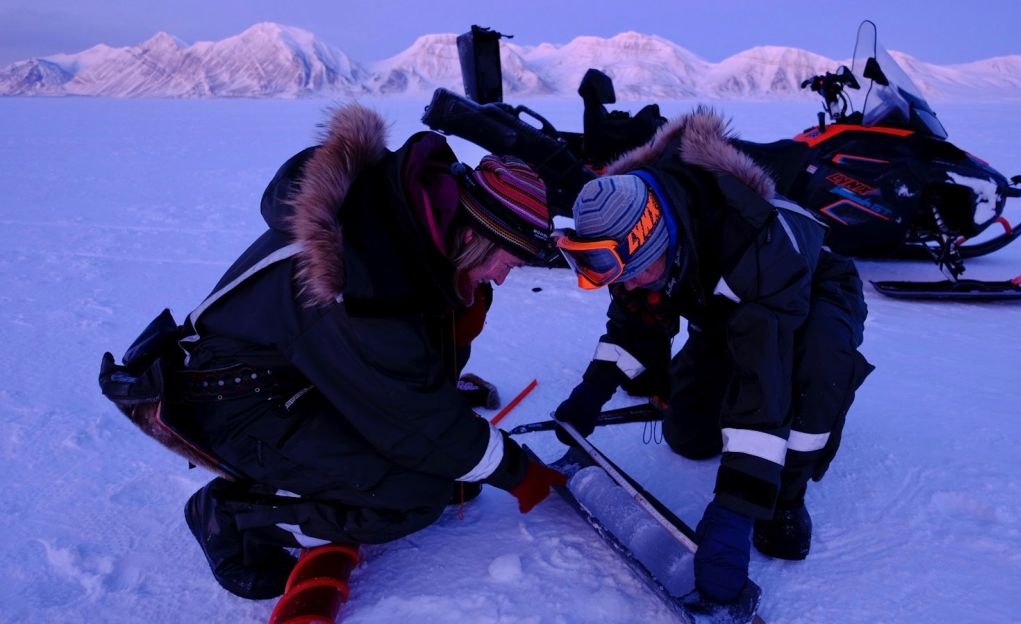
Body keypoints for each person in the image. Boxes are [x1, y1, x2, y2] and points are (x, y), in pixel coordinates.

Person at [169, 104, 566, 600]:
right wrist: (515, 470)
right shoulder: (366, 271)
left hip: (305, 383)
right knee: (409, 497)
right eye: (509, 261)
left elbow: (414, 386)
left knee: (432, 467)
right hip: (239, 406)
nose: (507, 277)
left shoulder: (407, 231)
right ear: (474, 235)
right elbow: (413, 413)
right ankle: (236, 517)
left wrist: (455, 331)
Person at [552, 107, 873, 615]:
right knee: (691, 436)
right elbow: (633, 325)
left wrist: (736, 508)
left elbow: (762, 383)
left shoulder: (756, 239)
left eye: (631, 272)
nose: (625, 285)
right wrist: (592, 393)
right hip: (727, 313)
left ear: (657, 243)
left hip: (808, 300)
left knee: (812, 376)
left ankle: (787, 497)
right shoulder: (644, 248)